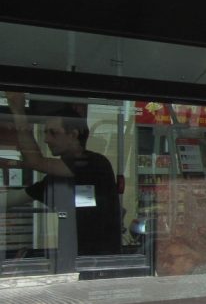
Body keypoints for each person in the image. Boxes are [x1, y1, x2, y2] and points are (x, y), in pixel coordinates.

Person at [1, 92, 121, 256]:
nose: (46, 140)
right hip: (73, 259)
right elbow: (14, 198)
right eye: (45, 133)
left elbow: (35, 161)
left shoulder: (94, 163)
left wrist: (18, 111)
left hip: (102, 261)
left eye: (53, 133)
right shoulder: (57, 177)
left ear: (73, 134)